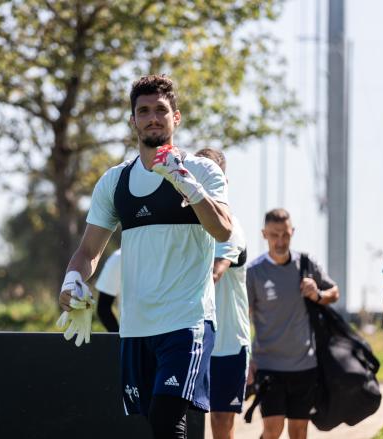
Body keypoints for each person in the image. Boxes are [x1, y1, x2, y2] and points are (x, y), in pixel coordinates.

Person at [57, 74, 232, 439]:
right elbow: (88, 251)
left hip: (188, 320)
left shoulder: (202, 171)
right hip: (137, 327)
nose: (153, 117)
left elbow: (223, 230)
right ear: (132, 120)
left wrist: (185, 182)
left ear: (176, 117)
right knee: (157, 422)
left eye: (161, 110)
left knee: (168, 420)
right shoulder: (114, 181)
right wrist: (72, 282)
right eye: (144, 111)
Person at [246, 208, 339, 439]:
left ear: (292, 232)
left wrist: (317, 293)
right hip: (268, 364)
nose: (280, 241)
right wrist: (247, 359)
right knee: (273, 429)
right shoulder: (254, 272)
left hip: (304, 365)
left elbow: (334, 292)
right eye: (274, 235)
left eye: (285, 235)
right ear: (264, 234)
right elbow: (243, 317)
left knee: (298, 432)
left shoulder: (306, 264)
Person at [194, 148, 251, 439]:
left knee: (219, 421)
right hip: (192, 340)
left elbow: (215, 274)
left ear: (223, 183)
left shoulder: (232, 229)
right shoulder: (187, 228)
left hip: (228, 344)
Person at [95, 248, 121, 332]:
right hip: (133, 339)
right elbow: (103, 308)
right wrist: (118, 340)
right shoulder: (119, 258)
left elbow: (103, 309)